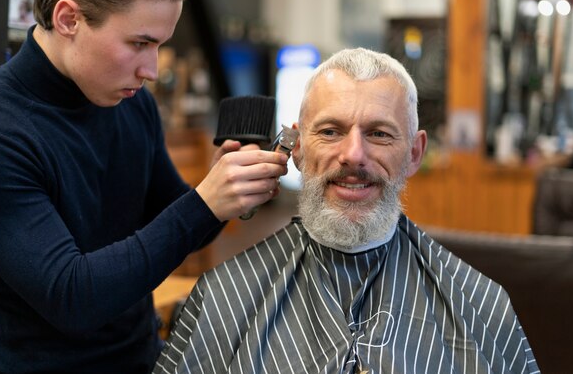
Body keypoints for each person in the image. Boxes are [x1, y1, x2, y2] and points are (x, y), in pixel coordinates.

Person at [154, 48, 540, 374]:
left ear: (414, 153)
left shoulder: (481, 307)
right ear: (298, 150)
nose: (354, 155)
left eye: (379, 133)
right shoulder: (224, 297)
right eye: (330, 131)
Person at [0, 0, 288, 373]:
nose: (151, 71)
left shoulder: (131, 103)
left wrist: (227, 189)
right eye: (139, 43)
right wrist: (203, 204)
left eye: (160, 45)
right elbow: (73, 298)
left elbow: (178, 223)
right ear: (69, 18)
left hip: (144, 359)